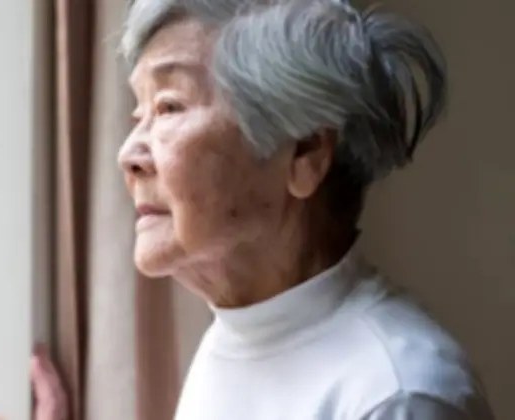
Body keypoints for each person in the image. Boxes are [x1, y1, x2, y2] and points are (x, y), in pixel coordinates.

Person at [31, 0, 496, 418]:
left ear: (305, 153)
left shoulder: (397, 395)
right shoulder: (234, 338)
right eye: (140, 115)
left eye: (169, 107)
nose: (128, 154)